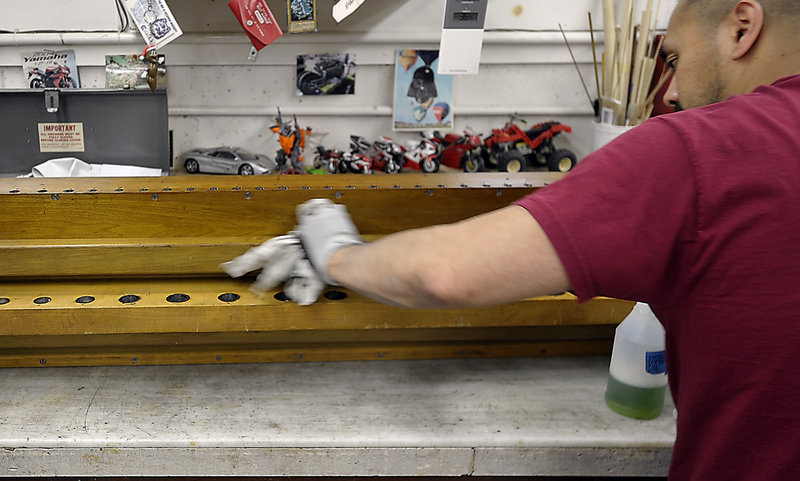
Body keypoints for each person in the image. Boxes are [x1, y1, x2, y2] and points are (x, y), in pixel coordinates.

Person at [226, 1, 800, 479]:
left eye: (672, 58)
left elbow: (447, 272)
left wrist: (335, 251)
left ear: (742, 27)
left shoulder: (700, 150)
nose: (669, 91)